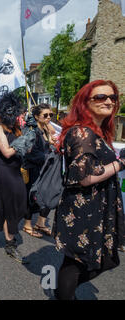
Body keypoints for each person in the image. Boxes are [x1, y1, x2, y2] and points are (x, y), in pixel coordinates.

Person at [53, 80, 125, 300]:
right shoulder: (81, 133)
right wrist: (120, 164)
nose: (108, 101)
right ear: (85, 102)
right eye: (100, 97)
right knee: (77, 262)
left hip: (97, 207)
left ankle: (63, 291)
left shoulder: (97, 132)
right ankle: (64, 294)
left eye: (112, 97)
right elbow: (84, 177)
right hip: (82, 210)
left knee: (100, 259)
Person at [0, 93, 30, 264]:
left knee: (19, 205)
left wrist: (30, 139)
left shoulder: (16, 128)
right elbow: (7, 152)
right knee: (9, 207)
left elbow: (25, 150)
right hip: (3, 171)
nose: (19, 115)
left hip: (16, 170)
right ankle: (10, 244)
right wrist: (23, 141)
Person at [22, 104, 55, 238]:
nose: (49, 118)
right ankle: (27, 224)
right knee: (32, 196)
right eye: (45, 115)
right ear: (36, 116)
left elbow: (46, 147)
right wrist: (49, 156)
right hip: (33, 168)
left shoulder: (45, 129)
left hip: (44, 168)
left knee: (48, 195)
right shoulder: (31, 130)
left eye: (50, 115)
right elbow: (29, 153)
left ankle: (41, 223)